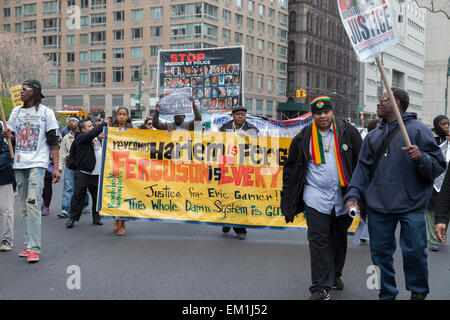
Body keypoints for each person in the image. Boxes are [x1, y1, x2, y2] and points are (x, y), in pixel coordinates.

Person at [344, 88, 446, 300]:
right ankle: (385, 293)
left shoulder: (418, 130)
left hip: (412, 205)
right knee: (379, 256)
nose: (378, 104)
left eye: (383, 100)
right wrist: (352, 196)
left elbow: (437, 167)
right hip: (378, 206)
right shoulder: (372, 136)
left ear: (397, 104)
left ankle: (418, 291)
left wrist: (421, 158)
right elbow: (361, 170)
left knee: (415, 252)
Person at [281, 95, 362, 300]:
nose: (323, 116)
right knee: (318, 240)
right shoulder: (303, 136)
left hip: (344, 196)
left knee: (338, 238)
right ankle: (320, 287)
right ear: (313, 115)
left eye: (326, 112)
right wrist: (287, 194)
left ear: (332, 112)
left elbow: (361, 163)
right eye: (318, 113)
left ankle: (335, 275)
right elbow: (291, 168)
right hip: (315, 196)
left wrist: (360, 193)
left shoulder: (348, 132)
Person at [2, 79, 61, 263]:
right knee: (25, 208)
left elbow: (53, 141)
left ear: (35, 92)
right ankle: (28, 245)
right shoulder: (15, 112)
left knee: (33, 204)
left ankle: (35, 248)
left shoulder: (46, 113)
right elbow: (12, 136)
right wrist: (9, 136)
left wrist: (56, 167)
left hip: (38, 163)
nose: (21, 92)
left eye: (24, 89)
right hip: (19, 165)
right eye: (20, 89)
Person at [219, 106, 260, 240]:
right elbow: (218, 143)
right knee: (226, 196)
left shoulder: (251, 128)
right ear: (233, 116)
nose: (241, 116)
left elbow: (258, 143)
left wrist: (247, 137)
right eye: (238, 114)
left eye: (243, 114)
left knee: (240, 199)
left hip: (243, 167)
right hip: (227, 166)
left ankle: (240, 229)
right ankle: (226, 222)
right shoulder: (225, 127)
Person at [65, 118, 107, 229]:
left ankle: (96, 217)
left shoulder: (97, 138)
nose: (92, 127)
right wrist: (103, 124)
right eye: (89, 126)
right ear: (83, 129)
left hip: (97, 173)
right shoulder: (80, 137)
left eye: (92, 126)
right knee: (78, 196)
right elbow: (91, 134)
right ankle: (72, 218)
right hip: (83, 172)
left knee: (97, 197)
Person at [426, 115, 450, 251]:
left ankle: (440, 232)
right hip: (434, 182)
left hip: (448, 183)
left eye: (448, 124)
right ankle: (434, 239)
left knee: (444, 212)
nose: (446, 127)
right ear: (437, 126)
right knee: (432, 210)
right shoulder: (432, 141)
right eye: (443, 124)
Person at [57, 116, 89, 218]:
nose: (71, 123)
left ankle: (84, 205)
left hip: (83, 165)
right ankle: (66, 209)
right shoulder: (66, 138)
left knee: (84, 187)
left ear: (79, 123)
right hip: (70, 165)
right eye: (69, 121)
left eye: (73, 121)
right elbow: (62, 154)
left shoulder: (86, 136)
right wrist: (60, 168)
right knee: (68, 187)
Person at [111, 107, 133, 236]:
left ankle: (122, 223)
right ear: (116, 116)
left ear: (128, 117)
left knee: (125, 196)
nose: (122, 117)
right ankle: (116, 218)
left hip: (128, 168)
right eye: (119, 114)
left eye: (124, 114)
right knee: (115, 195)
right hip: (113, 167)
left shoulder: (132, 131)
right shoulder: (111, 131)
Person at [0, 121, 15, 252]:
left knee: (6, 210)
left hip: (3, 177)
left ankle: (7, 239)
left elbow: (8, 152)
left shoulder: (2, 127)